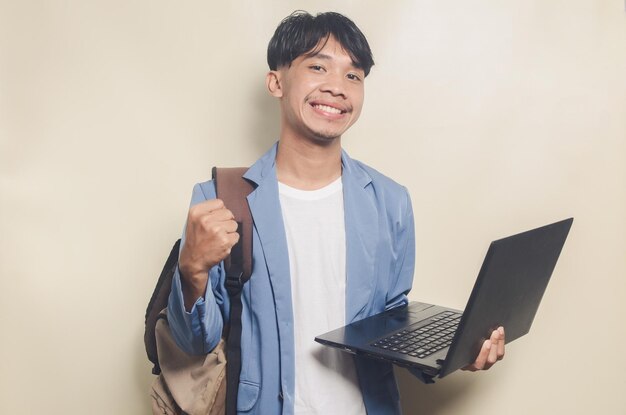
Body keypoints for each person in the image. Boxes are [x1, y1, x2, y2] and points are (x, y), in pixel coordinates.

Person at [167, 11, 505, 415]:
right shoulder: (221, 200)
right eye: (317, 66)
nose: (336, 88)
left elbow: (390, 322)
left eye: (353, 76)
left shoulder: (390, 200)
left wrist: (452, 352)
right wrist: (192, 273)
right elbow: (193, 344)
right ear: (276, 81)